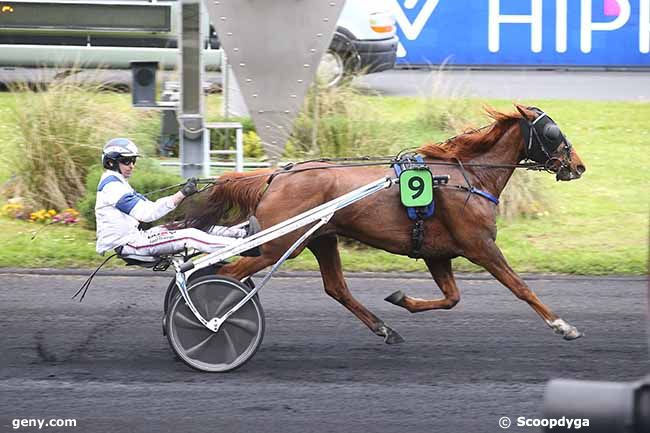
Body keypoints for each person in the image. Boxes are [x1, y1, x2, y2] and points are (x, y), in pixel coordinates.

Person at [95, 138, 259, 257]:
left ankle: (240, 234)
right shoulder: (112, 187)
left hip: (136, 237)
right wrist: (181, 194)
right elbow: (147, 214)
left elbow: (149, 205)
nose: (131, 165)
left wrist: (180, 194)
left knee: (189, 225)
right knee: (188, 236)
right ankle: (244, 247)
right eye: (126, 161)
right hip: (130, 244)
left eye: (133, 161)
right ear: (111, 163)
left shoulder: (117, 182)